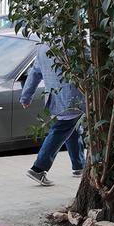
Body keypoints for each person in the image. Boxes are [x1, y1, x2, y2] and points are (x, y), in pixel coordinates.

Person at [21, 39, 86, 186]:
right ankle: (38, 168)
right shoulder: (73, 44)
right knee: (61, 129)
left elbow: (35, 72)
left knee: (73, 128)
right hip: (72, 98)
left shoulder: (43, 46)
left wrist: (26, 96)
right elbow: (89, 64)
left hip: (54, 98)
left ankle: (79, 165)